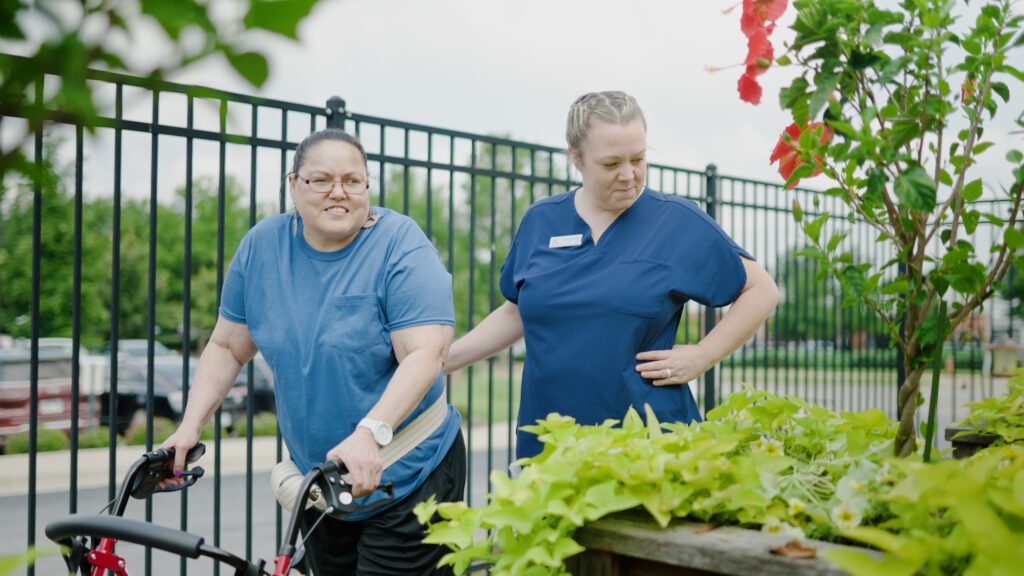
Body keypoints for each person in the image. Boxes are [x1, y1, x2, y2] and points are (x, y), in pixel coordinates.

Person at [161, 128, 465, 576]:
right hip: (324, 484)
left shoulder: (401, 245)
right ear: (293, 185)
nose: (338, 193)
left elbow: (426, 354)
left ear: (366, 186)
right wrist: (189, 427)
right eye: (321, 180)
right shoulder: (263, 247)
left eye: (353, 180)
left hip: (409, 474)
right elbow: (227, 345)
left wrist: (370, 433)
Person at [446, 91, 780, 460]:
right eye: (610, 163)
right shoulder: (541, 221)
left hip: (649, 446)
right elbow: (517, 311)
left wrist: (703, 355)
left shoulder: (677, 223)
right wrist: (444, 360)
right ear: (575, 157)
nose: (628, 175)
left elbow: (762, 290)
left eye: (638, 159)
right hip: (549, 440)